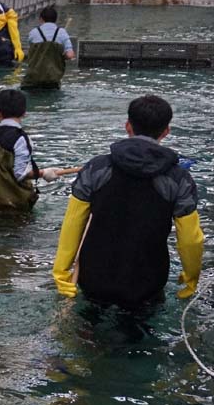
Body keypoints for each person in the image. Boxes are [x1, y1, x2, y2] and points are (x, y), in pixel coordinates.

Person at [53, 95, 203, 309]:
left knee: (88, 332)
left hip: (94, 276)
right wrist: (191, 277)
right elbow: (191, 239)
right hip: (146, 281)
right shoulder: (178, 179)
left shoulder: (97, 168)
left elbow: (73, 223)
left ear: (128, 126)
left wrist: (61, 271)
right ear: (166, 131)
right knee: (140, 336)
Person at [0, 89, 61, 212]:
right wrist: (44, 173)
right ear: (24, 113)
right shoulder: (21, 139)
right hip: (15, 208)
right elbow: (20, 174)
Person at [23, 5, 75, 88]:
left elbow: (31, 52)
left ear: (41, 19)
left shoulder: (34, 32)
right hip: (53, 79)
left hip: (33, 78)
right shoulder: (62, 32)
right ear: (55, 19)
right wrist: (61, 56)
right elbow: (70, 55)